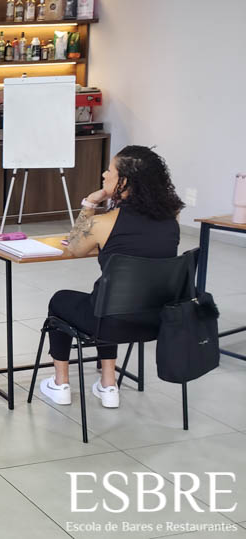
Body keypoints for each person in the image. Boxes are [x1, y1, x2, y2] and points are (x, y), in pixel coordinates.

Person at [39, 145, 183, 409]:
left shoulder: (103, 223)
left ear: (123, 182)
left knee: (63, 300)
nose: (104, 174)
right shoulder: (172, 219)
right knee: (113, 300)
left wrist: (90, 203)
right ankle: (108, 384)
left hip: (110, 322)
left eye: (110, 171)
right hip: (156, 320)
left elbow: (74, 247)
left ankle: (60, 384)